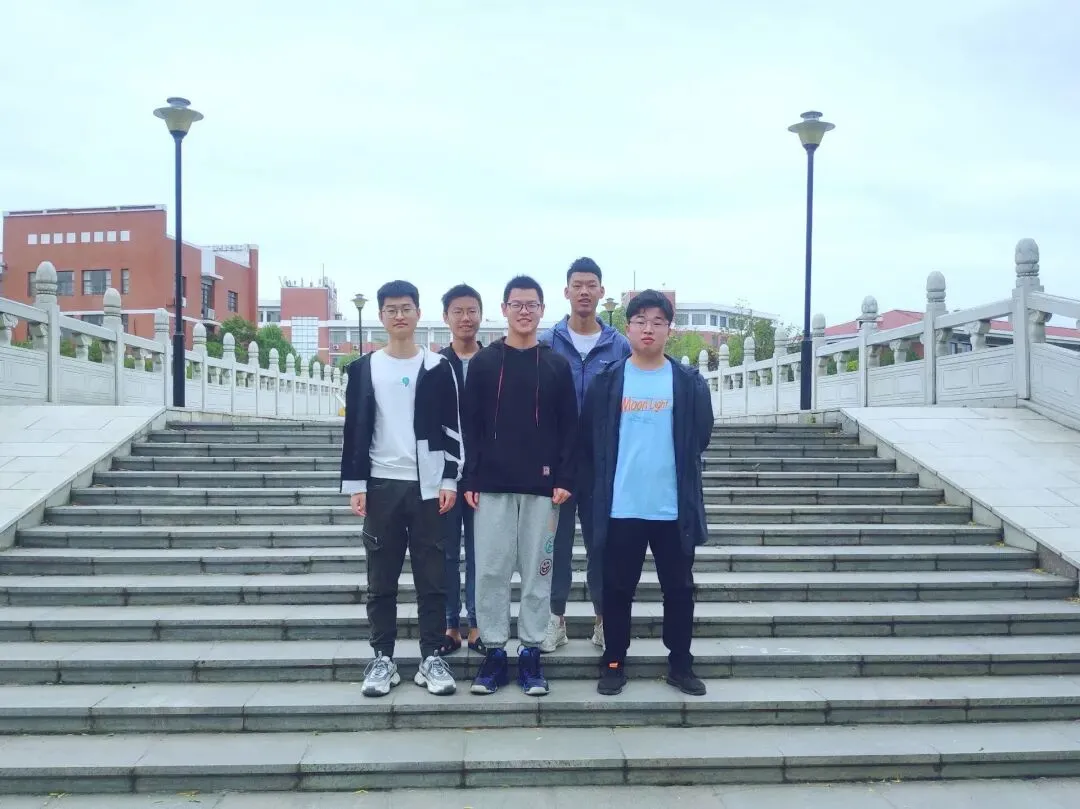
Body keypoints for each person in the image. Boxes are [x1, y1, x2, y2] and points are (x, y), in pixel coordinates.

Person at [578, 289, 713, 697]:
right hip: (622, 506)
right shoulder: (607, 382)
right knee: (617, 589)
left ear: (669, 329)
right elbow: (591, 440)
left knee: (679, 590)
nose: (648, 329)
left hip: (673, 508)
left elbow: (700, 436)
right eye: (640, 321)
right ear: (628, 328)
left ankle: (680, 663)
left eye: (657, 322)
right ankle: (614, 661)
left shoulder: (688, 383)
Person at [339, 280, 463, 698]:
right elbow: (354, 429)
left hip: (428, 486)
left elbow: (452, 427)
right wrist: (356, 485)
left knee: (433, 577)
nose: (399, 315)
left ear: (417, 313)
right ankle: (383, 658)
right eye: (391, 309)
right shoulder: (364, 368)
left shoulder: (437, 366)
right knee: (381, 578)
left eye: (406, 308)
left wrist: (449, 479)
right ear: (381, 316)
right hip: (381, 483)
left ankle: (432, 657)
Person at [461, 275, 578, 697]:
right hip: (492, 486)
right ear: (504, 309)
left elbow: (570, 427)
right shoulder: (485, 363)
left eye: (532, 305)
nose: (524, 311)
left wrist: (565, 476)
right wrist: (470, 476)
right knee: (491, 571)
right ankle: (494, 652)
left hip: (543, 489)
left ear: (542, 310)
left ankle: (531, 652)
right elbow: (471, 425)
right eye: (517, 304)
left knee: (537, 572)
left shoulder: (556, 365)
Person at [539, 256, 630, 653]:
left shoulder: (619, 345)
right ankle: (555, 619)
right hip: (557, 466)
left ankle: (602, 620)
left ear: (601, 291)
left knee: (602, 546)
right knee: (554, 547)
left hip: (601, 465)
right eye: (577, 285)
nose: (584, 291)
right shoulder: (548, 342)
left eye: (591, 285)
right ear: (566, 291)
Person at [437, 283, 484, 655]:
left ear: (481, 315)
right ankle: (450, 625)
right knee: (448, 554)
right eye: (458, 311)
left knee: (482, 556)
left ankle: (479, 625)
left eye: (472, 311)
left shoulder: (495, 361)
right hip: (447, 478)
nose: (465, 318)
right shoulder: (435, 365)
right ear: (446, 317)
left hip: (485, 477)